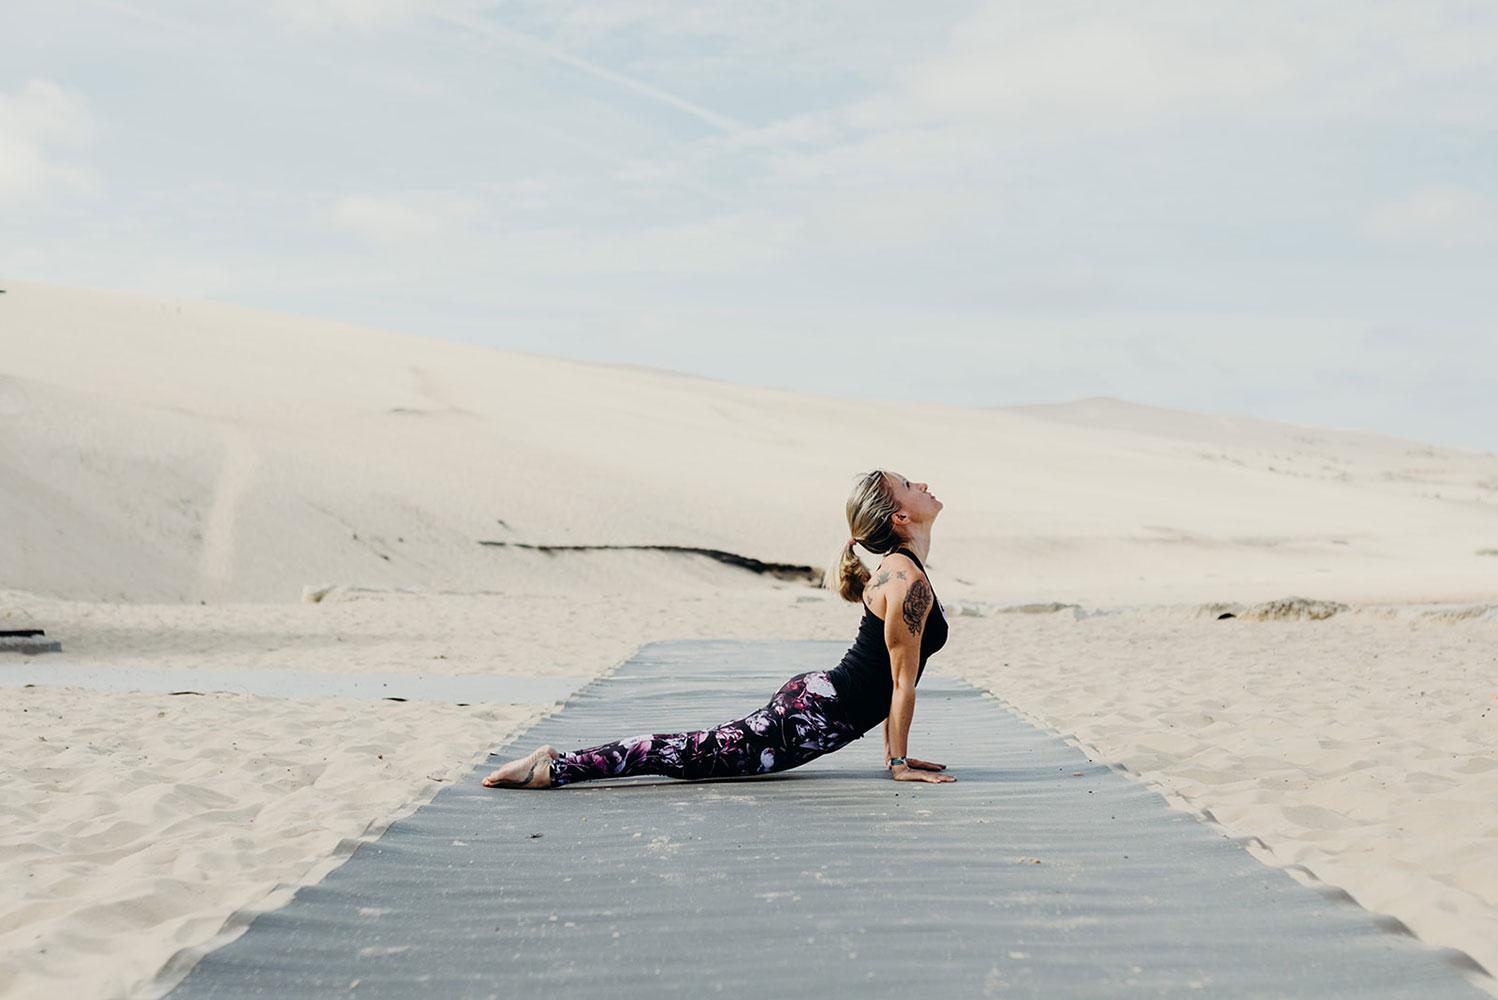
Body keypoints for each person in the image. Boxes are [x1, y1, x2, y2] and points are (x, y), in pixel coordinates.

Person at [482, 469, 956, 789]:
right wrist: (898, 765)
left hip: (818, 704)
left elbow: (892, 677)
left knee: (691, 754)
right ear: (900, 516)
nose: (923, 483)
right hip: (810, 715)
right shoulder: (905, 580)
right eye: (909, 484)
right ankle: (554, 766)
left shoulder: (902, 571)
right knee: (684, 756)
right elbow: (897, 681)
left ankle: (556, 764)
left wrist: (898, 757)